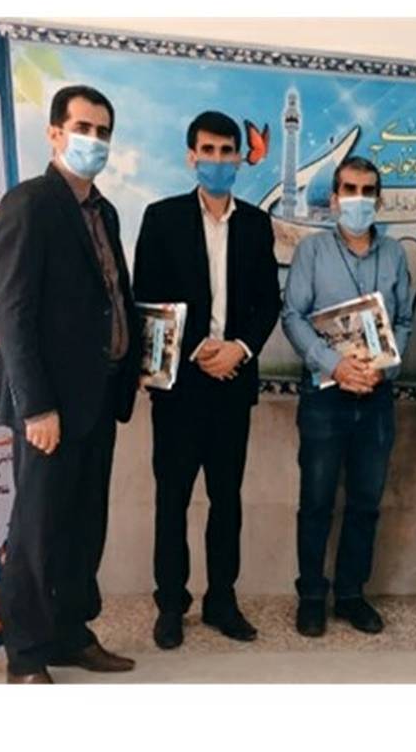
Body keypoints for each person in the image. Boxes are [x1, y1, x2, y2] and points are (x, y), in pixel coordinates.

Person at [0, 85, 140, 684]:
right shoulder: (30, 204)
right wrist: (37, 407)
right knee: (37, 531)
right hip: (49, 408)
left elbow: (110, 297)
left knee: (83, 527)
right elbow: (12, 313)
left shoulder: (105, 212)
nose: (93, 141)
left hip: (98, 399)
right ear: (55, 133)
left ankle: (71, 633)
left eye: (103, 132)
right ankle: (26, 655)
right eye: (83, 128)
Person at [134, 110, 282, 649]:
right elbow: (146, 295)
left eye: (227, 151)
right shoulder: (162, 218)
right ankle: (171, 604)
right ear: (191, 156)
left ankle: (222, 599)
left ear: (240, 158)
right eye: (208, 150)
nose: (218, 160)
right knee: (172, 500)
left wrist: (239, 348)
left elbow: (268, 302)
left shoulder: (256, 224)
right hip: (180, 386)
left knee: (227, 500)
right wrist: (198, 347)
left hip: (232, 384)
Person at [281, 156, 413, 637]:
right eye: (350, 190)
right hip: (325, 395)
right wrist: (333, 364)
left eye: (368, 191)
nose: (359, 199)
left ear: (379, 199)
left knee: (366, 502)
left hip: (376, 397)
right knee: (316, 500)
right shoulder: (312, 251)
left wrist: (384, 368)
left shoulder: (394, 255)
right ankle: (312, 596)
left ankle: (352, 595)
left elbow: (404, 321)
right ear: (335, 199)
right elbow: (293, 316)